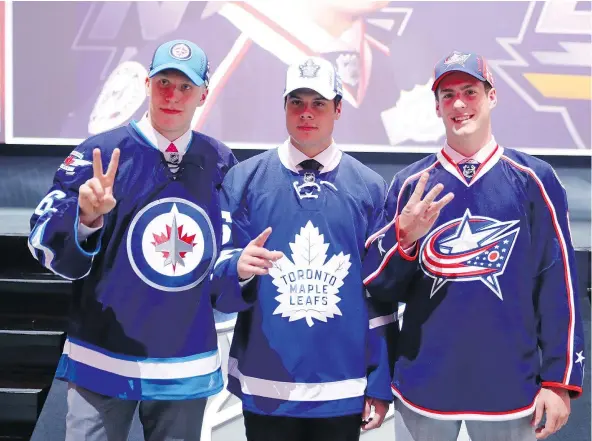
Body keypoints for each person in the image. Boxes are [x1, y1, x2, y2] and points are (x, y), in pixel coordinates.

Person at [362, 51, 586, 441]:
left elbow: (558, 287)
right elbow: (378, 287)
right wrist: (406, 239)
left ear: (492, 96)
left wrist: (558, 381)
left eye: (470, 91)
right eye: (448, 95)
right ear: (436, 107)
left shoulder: (535, 180)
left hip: (511, 390)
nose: (459, 104)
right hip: (423, 387)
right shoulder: (409, 184)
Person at [28, 39, 237, 441]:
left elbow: (228, 254)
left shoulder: (220, 161)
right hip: (103, 357)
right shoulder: (100, 153)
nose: (172, 96)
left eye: (185, 87)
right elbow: (44, 236)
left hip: (184, 364)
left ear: (203, 94)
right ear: (146, 84)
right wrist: (85, 218)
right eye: (163, 83)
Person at [211, 56, 393, 441]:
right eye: (296, 102)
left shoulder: (370, 187)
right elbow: (220, 290)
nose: (306, 113)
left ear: (338, 109)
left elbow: (378, 291)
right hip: (267, 384)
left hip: (342, 388)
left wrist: (378, 381)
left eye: (318, 103)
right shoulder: (244, 180)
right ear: (284, 107)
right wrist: (237, 269)